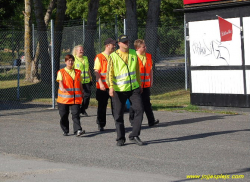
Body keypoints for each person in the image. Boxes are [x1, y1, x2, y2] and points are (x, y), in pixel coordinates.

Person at [107, 35, 144, 146]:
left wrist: (139, 83)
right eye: (124, 42)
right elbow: (109, 73)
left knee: (140, 110)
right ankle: (120, 138)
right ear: (119, 44)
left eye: (128, 41)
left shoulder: (133, 53)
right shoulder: (113, 56)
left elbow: (137, 70)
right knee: (118, 114)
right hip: (119, 89)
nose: (127, 43)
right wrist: (111, 87)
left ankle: (134, 135)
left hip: (133, 88)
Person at [129, 39, 159, 127]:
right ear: (137, 48)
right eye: (143, 47)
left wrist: (151, 81)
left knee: (147, 103)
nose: (145, 48)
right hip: (136, 85)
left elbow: (150, 70)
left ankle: (151, 121)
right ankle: (133, 120)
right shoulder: (133, 57)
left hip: (146, 85)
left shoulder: (148, 56)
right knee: (135, 104)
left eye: (145, 46)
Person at [56, 54, 85, 136]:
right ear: (65, 62)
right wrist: (63, 88)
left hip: (75, 98)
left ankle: (78, 130)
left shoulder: (78, 72)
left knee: (76, 114)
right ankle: (65, 130)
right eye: (69, 60)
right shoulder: (61, 72)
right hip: (64, 99)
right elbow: (60, 82)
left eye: (72, 60)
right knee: (64, 115)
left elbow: (80, 84)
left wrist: (82, 92)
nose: (71, 62)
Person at [94, 38, 116, 131]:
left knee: (116, 106)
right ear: (107, 45)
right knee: (102, 106)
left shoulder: (115, 56)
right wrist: (101, 83)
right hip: (102, 87)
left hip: (113, 86)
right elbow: (97, 71)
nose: (115, 46)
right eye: (113, 45)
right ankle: (101, 124)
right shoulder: (99, 57)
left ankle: (118, 123)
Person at [72, 45, 92, 117]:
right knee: (78, 96)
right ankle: (76, 111)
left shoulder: (85, 58)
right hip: (78, 81)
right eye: (80, 50)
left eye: (82, 50)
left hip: (86, 80)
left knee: (87, 95)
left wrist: (91, 78)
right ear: (76, 51)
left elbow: (88, 69)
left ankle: (83, 109)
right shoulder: (73, 59)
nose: (81, 51)